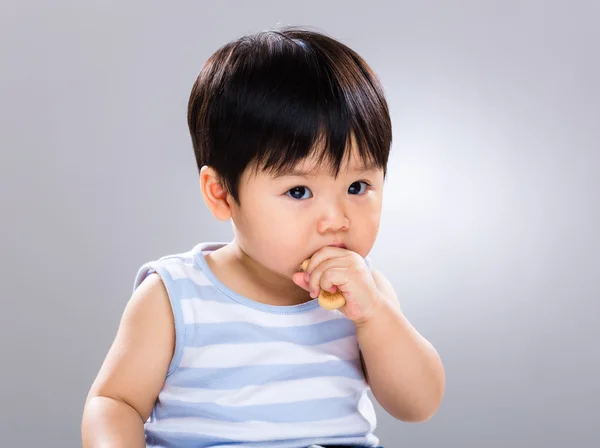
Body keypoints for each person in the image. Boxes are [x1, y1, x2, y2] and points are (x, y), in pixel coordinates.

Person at [82, 27, 445, 448]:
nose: (336, 220)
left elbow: (418, 405)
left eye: (358, 187)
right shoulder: (176, 296)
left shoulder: (367, 296)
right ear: (222, 195)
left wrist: (375, 317)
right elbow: (115, 401)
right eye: (298, 192)